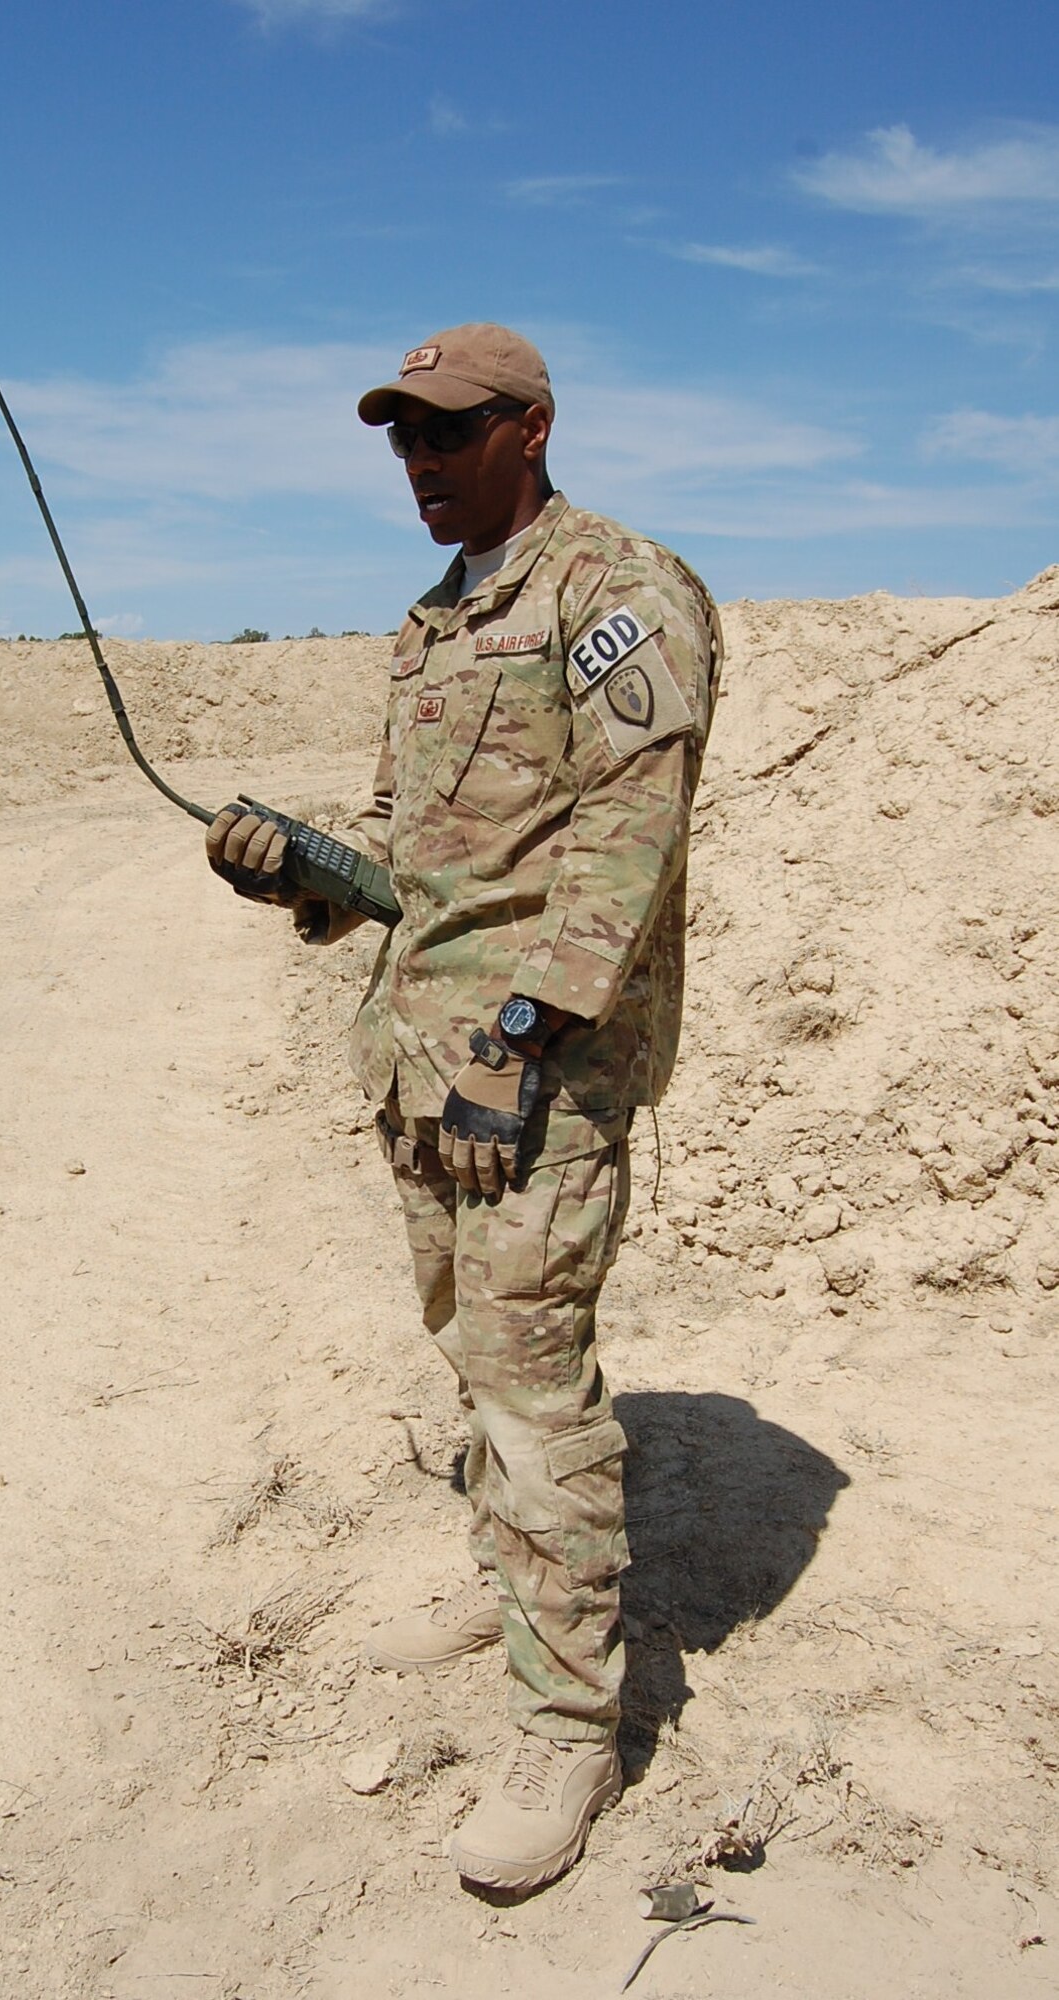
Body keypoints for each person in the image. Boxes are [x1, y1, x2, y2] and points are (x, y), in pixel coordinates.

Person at [205, 323, 722, 1892]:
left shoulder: (611, 592)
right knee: (471, 1353)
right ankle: (529, 1590)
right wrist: (307, 873)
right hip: (422, 1061)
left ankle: (567, 1724)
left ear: (532, 428)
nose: (418, 464)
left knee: (528, 1382)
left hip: (531, 1077)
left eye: (447, 433)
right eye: (400, 440)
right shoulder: (432, 625)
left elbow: (625, 846)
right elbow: (408, 858)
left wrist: (519, 1034)